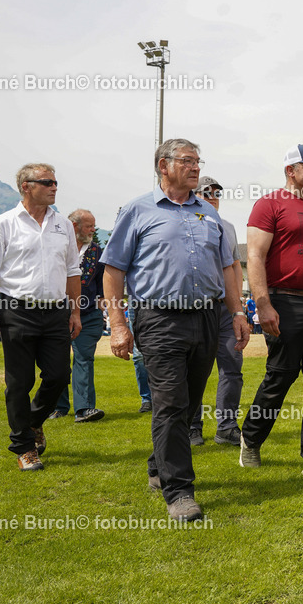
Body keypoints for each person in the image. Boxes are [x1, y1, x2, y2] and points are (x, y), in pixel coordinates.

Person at [101, 138, 249, 522]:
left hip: (207, 317)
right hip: (159, 319)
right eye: (186, 161)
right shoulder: (137, 210)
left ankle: (158, 465)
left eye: (198, 161)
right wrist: (117, 324)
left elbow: (229, 267)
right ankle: (179, 491)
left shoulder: (209, 212)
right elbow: (113, 270)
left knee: (187, 403)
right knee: (169, 402)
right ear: (163, 166)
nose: (195, 167)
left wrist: (237, 312)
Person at [0, 163, 82, 471]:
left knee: (59, 375)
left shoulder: (63, 225)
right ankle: (24, 447)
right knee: (20, 382)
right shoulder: (2, 224)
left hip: (56, 311)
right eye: (47, 182)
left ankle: (32, 422)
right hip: (17, 310)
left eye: (55, 182)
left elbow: (72, 270)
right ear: (26, 186)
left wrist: (75, 311)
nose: (54, 187)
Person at [239, 144, 303, 475]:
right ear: (290, 171)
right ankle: (251, 439)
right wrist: (263, 303)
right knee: (281, 376)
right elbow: (254, 256)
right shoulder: (269, 204)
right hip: (284, 300)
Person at [188, 176, 245, 447]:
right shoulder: (186, 223)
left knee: (232, 367)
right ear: (194, 195)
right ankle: (192, 427)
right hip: (198, 308)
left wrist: (238, 308)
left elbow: (234, 267)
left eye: (216, 194)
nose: (213, 198)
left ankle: (227, 427)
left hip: (225, 310)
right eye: (206, 193)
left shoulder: (228, 227)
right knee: (194, 370)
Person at [50, 209, 106, 422]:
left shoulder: (98, 251)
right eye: (89, 226)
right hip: (57, 313)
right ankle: (59, 407)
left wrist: (103, 301)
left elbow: (102, 279)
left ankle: (84, 409)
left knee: (83, 358)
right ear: (75, 226)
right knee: (57, 362)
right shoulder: (57, 246)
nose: (93, 230)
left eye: (94, 225)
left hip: (89, 314)